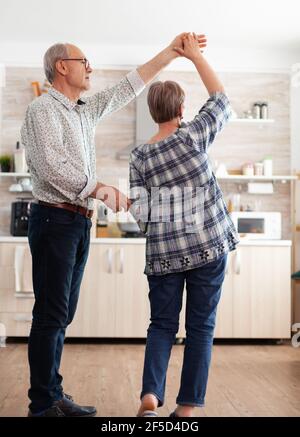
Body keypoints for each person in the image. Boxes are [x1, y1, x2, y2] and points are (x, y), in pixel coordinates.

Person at [21, 34, 206, 417]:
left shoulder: (84, 110)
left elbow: (129, 86)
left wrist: (172, 52)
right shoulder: (43, 110)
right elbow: (52, 167)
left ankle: (53, 394)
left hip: (75, 222)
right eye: (84, 61)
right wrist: (99, 189)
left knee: (62, 315)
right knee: (51, 315)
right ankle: (42, 405)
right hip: (55, 217)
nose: (90, 67)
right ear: (62, 66)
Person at [129, 33, 239, 417]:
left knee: (161, 325)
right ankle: (187, 408)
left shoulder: (139, 156)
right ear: (181, 109)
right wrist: (194, 57)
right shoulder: (194, 136)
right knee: (200, 329)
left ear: (152, 112)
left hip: (163, 257)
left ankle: (149, 397)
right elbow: (222, 100)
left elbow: (140, 213)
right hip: (209, 247)